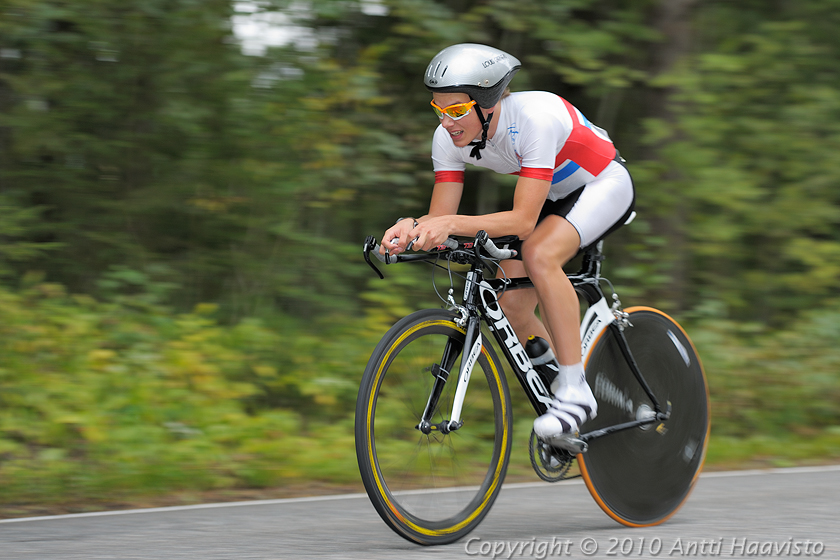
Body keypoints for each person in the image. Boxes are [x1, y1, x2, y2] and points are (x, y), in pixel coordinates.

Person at [379, 43, 635, 441]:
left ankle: (577, 393)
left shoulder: (534, 119)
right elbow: (440, 216)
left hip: (603, 183)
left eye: (457, 110)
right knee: (512, 303)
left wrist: (445, 223)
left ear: (488, 103)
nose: (446, 122)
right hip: (554, 195)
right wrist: (410, 228)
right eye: (438, 109)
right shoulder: (447, 137)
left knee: (539, 254)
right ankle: (557, 385)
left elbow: (522, 220)